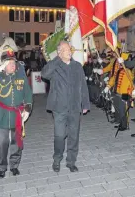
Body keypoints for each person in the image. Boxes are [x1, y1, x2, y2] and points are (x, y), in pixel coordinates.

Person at [0, 44, 33, 179]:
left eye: (14, 62)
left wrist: (27, 108)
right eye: (9, 63)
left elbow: (27, 93)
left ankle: (14, 165)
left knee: (16, 142)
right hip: (3, 115)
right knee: (2, 143)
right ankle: (2, 166)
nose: (13, 65)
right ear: (3, 65)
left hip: (17, 114)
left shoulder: (20, 76)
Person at [41, 41, 90, 173]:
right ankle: (57, 159)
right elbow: (44, 74)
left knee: (74, 136)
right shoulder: (55, 65)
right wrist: (57, 59)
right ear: (59, 52)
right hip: (59, 108)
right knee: (59, 135)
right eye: (66, 49)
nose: (69, 51)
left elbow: (83, 86)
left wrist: (85, 104)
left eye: (70, 49)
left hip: (74, 107)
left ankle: (71, 161)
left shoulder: (77, 66)